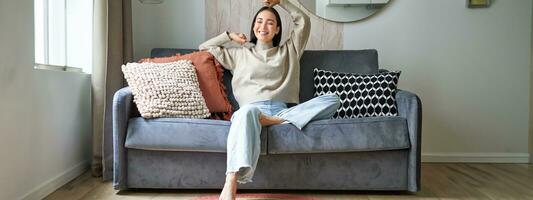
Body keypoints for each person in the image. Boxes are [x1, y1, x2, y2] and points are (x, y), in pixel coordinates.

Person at [199, 0, 340, 199]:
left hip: (283, 113)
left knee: (333, 99)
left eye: (270, 22)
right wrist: (229, 36)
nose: (263, 26)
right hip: (252, 113)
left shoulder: (289, 50)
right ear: (253, 26)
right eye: (259, 21)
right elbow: (204, 47)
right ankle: (231, 179)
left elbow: (304, 21)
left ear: (277, 29)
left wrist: (282, 2)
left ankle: (275, 120)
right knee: (246, 112)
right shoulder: (240, 55)